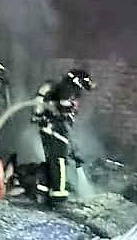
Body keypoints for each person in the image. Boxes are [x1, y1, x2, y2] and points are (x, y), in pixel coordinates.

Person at [31, 69, 95, 205]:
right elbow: (64, 110)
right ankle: (58, 196)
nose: (81, 91)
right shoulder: (67, 89)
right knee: (59, 161)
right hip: (54, 129)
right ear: (78, 82)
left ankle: (43, 190)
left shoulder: (64, 89)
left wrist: (73, 147)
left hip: (52, 130)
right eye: (83, 86)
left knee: (52, 161)